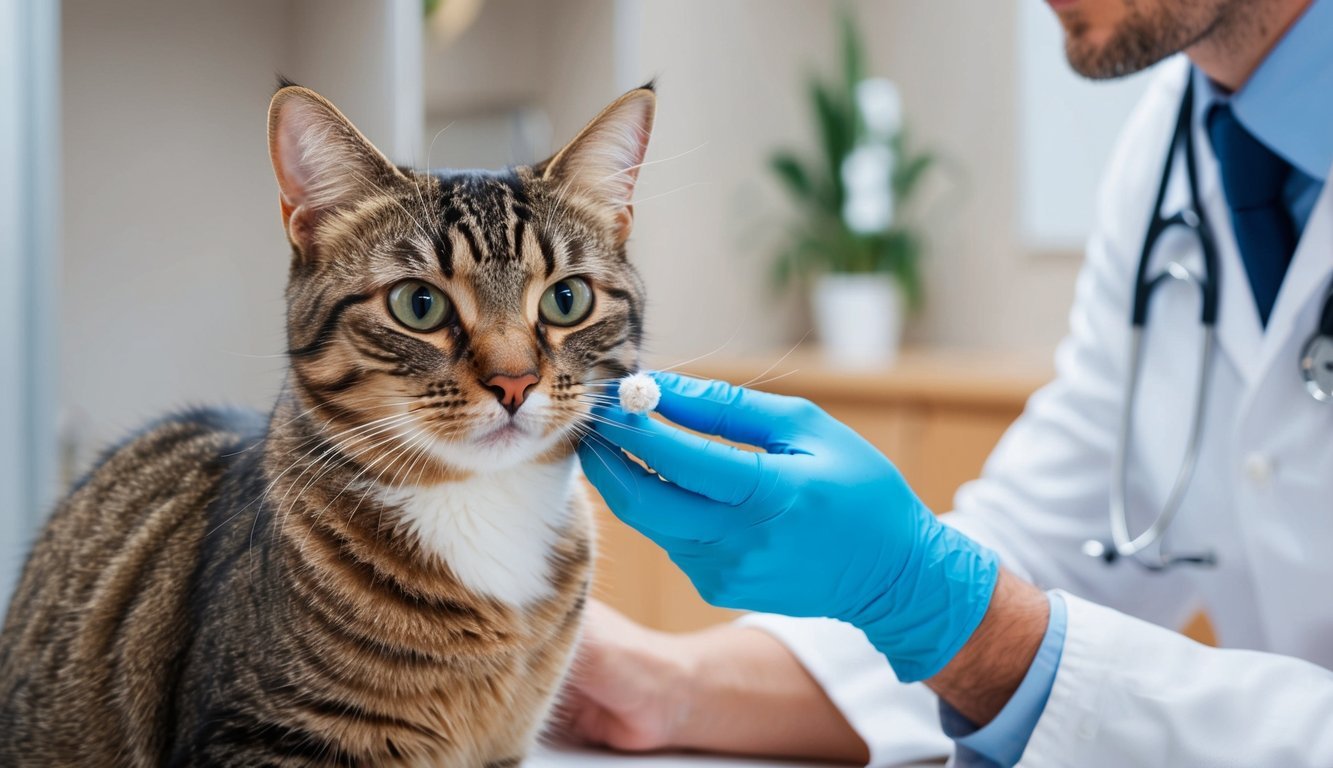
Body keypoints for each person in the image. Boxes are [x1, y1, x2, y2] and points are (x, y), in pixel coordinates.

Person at [560, 0, 1333, 765]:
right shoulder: (1173, 144)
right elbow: (1047, 546)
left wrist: (936, 603)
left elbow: (980, 613)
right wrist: (668, 685)